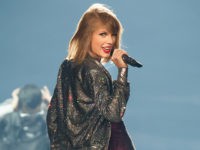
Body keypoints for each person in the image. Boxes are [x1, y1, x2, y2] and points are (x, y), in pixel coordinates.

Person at [47, 3, 136, 150]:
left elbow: (53, 114)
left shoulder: (67, 66)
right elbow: (114, 114)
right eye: (103, 34)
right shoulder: (96, 72)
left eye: (113, 34)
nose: (110, 41)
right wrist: (122, 71)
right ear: (87, 35)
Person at [0, 84, 51, 150]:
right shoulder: (10, 120)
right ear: (40, 103)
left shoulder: (8, 118)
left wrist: (13, 106)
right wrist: (50, 101)